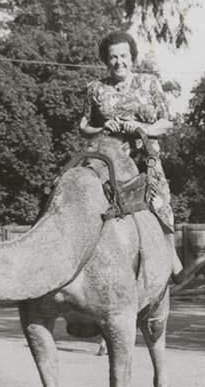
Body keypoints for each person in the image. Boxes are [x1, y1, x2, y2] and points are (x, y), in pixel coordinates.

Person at [78, 30, 183, 280]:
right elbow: (83, 127)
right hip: (108, 158)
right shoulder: (95, 89)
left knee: (159, 200)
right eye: (113, 57)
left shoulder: (150, 83)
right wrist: (104, 127)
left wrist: (142, 129)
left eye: (123, 56)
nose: (119, 62)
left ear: (132, 57)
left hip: (144, 156)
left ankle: (171, 254)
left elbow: (167, 123)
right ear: (106, 59)